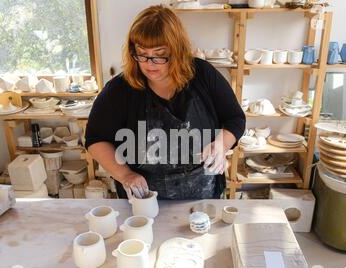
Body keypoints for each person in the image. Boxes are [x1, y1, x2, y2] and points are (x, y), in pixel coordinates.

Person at [85, 5, 245, 200]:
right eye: (142, 54)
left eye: (159, 55)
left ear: (177, 50)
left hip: (202, 190)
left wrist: (222, 144)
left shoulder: (203, 75)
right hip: (145, 195)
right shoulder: (119, 89)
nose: (149, 64)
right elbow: (95, 139)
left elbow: (235, 119)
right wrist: (125, 175)